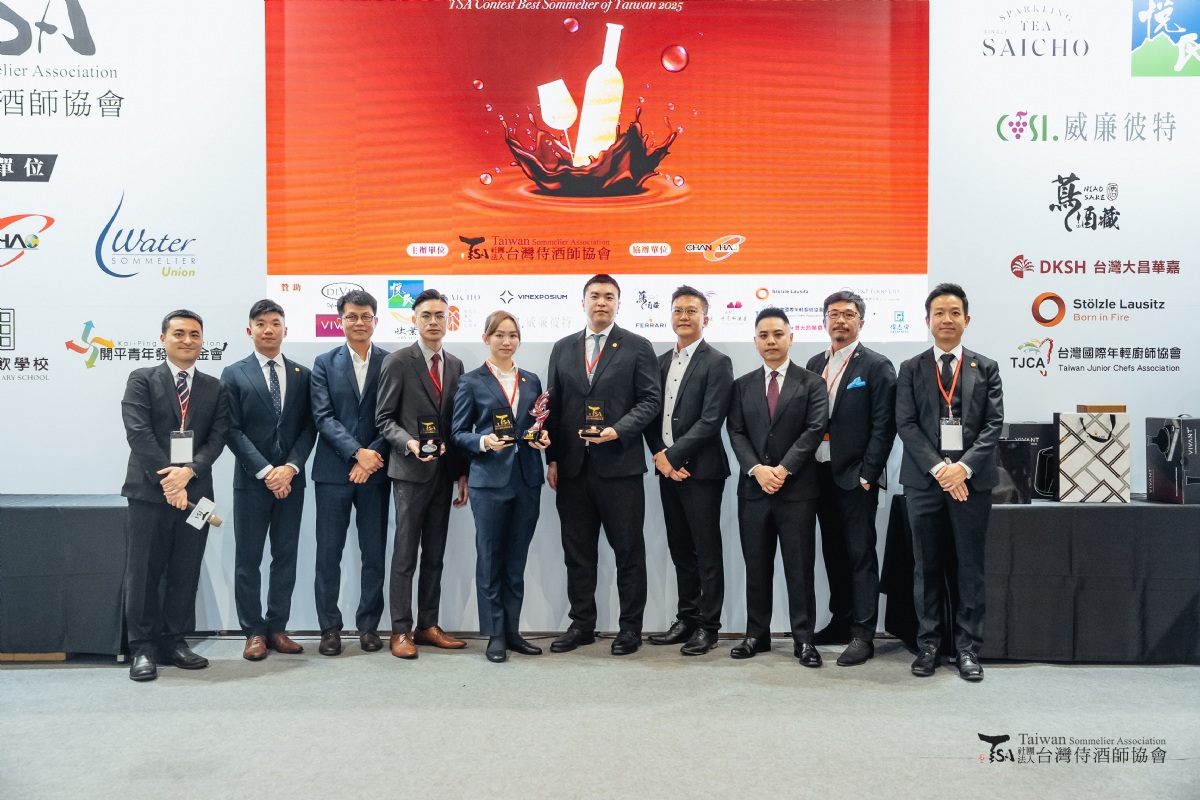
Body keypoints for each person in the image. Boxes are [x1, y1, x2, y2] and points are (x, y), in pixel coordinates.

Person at [545, 274, 661, 656]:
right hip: (573, 469)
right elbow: (553, 408)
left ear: (618, 303)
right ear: (583, 302)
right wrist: (552, 459)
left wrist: (618, 430)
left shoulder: (638, 346)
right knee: (578, 554)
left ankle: (630, 628)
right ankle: (582, 624)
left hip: (620, 467)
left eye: (609, 296)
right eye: (594, 295)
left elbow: (650, 401)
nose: (601, 302)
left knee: (628, 552)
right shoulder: (562, 348)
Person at [896, 283, 1003, 682]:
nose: (947, 319)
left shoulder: (985, 367)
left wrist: (964, 468)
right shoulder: (910, 368)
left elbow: (993, 425)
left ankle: (967, 649)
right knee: (926, 566)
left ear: (966, 320)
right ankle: (928, 645)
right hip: (925, 483)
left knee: (969, 568)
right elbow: (905, 423)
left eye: (954, 312)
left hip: (971, 484)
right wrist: (941, 470)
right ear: (927, 320)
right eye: (939, 313)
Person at [120, 309, 229, 681]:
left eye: (195, 334)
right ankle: (142, 648)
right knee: (144, 572)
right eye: (179, 333)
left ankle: (174, 641)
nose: (187, 340)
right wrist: (169, 481)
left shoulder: (215, 387)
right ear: (163, 338)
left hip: (197, 497)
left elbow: (218, 438)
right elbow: (138, 433)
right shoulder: (142, 379)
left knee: (186, 569)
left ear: (202, 341)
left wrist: (189, 472)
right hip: (149, 493)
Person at [726, 308, 827, 667]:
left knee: (799, 568)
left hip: (797, 490)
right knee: (756, 566)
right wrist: (757, 469)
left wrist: (782, 470)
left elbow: (814, 430)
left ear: (791, 338)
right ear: (755, 341)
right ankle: (756, 635)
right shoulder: (741, 385)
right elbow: (736, 431)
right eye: (764, 335)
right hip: (754, 491)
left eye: (778, 334)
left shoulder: (811, 382)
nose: (771, 341)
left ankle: (804, 640)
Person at [451, 310, 551, 663]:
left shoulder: (532, 380)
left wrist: (542, 438)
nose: (506, 341)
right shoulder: (471, 381)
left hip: (527, 479)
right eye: (499, 335)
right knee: (490, 558)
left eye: (512, 335)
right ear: (486, 339)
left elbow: (536, 426)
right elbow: (457, 433)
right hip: (488, 481)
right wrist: (483, 441)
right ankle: (494, 634)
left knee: (516, 560)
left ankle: (512, 631)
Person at [221, 299, 317, 661]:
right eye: (261, 323)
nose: (268, 329)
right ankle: (253, 632)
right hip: (251, 482)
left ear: (285, 330)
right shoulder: (234, 373)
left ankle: (278, 627)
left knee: (285, 556)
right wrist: (265, 471)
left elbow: (309, 427)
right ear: (250, 331)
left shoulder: (302, 374)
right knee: (248, 559)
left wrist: (290, 467)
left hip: (291, 482)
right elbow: (231, 430)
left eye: (275, 323)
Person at [376, 289, 469, 659]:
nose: (433, 321)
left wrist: (461, 473)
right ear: (414, 320)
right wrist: (409, 443)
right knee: (404, 555)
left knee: (435, 553)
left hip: (443, 474)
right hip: (409, 473)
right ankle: (400, 630)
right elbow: (384, 419)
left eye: (440, 315)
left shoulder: (456, 365)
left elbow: (457, 425)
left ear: (449, 320)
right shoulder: (398, 361)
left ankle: (428, 625)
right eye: (426, 315)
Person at [806, 291, 897, 666]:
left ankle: (863, 634)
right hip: (819, 475)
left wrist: (868, 474)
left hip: (855, 477)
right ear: (824, 320)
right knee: (832, 553)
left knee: (860, 555)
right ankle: (840, 621)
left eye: (848, 314)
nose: (840, 320)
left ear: (861, 320)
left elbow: (884, 425)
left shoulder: (876, 365)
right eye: (833, 314)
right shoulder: (815, 363)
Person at [643, 286, 734, 656]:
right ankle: (686, 619)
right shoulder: (659, 362)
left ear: (705, 318)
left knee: (706, 551)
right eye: (678, 310)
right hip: (668, 470)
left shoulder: (718, 362)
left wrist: (674, 457)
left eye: (691, 311)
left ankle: (708, 628)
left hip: (702, 471)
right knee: (680, 549)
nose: (683, 316)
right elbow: (649, 413)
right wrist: (660, 455)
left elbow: (711, 420)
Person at [310, 290, 390, 656]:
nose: (359, 322)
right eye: (352, 316)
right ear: (340, 321)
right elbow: (323, 417)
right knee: (329, 554)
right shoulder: (324, 363)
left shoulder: (390, 362)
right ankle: (329, 628)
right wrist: (357, 453)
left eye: (366, 316)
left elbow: (394, 416)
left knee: (373, 553)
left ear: (376, 320)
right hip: (333, 472)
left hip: (376, 472)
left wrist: (371, 456)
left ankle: (369, 626)